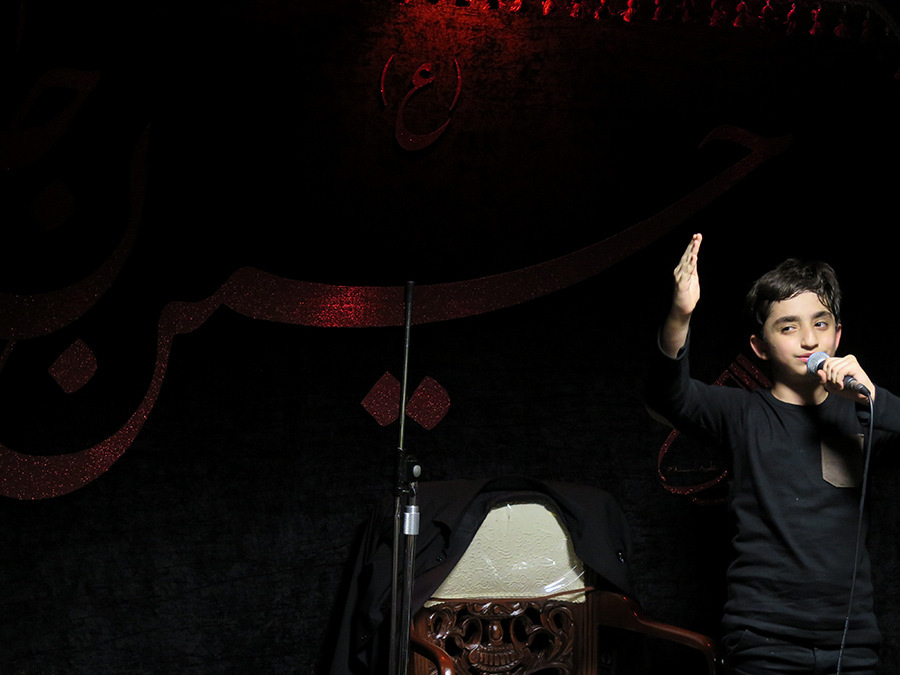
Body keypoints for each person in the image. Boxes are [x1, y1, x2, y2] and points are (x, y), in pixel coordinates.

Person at [645, 233, 900, 674]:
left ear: (839, 335)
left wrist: (875, 398)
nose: (808, 340)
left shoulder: (863, 412)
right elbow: (668, 397)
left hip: (852, 644)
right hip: (763, 644)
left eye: (821, 324)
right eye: (788, 326)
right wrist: (680, 315)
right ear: (759, 347)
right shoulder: (741, 413)